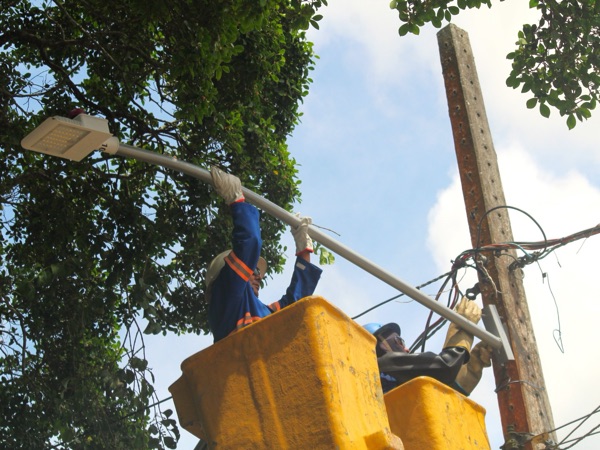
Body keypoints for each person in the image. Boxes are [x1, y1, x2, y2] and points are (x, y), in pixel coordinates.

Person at [206, 166, 322, 343]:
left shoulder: (264, 314)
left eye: (257, 272)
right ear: (226, 272)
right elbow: (249, 243)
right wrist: (236, 200)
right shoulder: (224, 299)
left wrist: (303, 248)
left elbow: (297, 303)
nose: (258, 277)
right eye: (253, 270)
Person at [364, 297, 492, 396]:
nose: (407, 349)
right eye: (399, 341)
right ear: (380, 344)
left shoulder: (392, 382)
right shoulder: (383, 364)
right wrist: (464, 328)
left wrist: (471, 367)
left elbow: (442, 392)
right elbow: (446, 366)